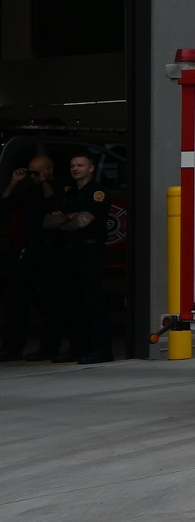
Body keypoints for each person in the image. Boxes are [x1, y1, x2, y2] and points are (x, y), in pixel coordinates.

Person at [42, 152, 110, 364]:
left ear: (91, 168)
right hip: (69, 252)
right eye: (72, 165)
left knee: (93, 302)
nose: (75, 168)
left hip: (90, 251)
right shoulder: (68, 193)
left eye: (80, 165)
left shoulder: (97, 192)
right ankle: (78, 347)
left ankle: (102, 350)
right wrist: (70, 217)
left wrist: (65, 219)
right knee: (72, 302)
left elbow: (83, 221)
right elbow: (47, 222)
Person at [0, 152, 56, 359]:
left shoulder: (59, 186)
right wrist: (14, 183)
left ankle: (48, 347)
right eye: (31, 172)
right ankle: (11, 348)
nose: (33, 176)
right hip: (31, 250)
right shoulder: (29, 190)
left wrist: (44, 182)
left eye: (36, 172)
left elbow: (54, 204)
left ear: (47, 170)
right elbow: (5, 205)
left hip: (52, 250)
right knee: (17, 299)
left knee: (51, 301)